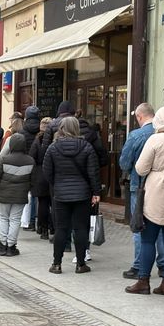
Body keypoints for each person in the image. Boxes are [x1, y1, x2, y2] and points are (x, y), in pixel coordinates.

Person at [125, 106, 164, 297]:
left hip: (155, 196)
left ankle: (143, 281)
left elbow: (141, 168)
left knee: (148, 239)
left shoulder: (156, 139)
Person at [43, 117, 100, 274]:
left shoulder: (53, 148)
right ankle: (81, 264)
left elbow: (47, 172)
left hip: (61, 194)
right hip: (82, 194)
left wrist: (57, 183)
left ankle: (56, 264)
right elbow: (93, 172)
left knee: (61, 229)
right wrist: (95, 192)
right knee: (80, 228)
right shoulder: (87, 147)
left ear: (61, 128)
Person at [119, 103, 164, 280]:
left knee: (139, 225)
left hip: (139, 186)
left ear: (139, 117)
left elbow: (124, 162)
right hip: (162, 187)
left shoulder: (136, 135)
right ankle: (163, 265)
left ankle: (139, 266)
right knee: (161, 226)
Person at [0, 133, 35, 257]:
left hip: (5, 193)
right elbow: (33, 180)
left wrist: (0, 188)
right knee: (15, 219)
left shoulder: (4, 159)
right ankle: (11, 246)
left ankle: (2, 245)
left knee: (3, 218)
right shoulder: (30, 160)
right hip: (20, 195)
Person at [30, 117, 53, 240]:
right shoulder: (54, 139)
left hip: (40, 174)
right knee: (53, 203)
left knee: (43, 203)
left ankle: (43, 229)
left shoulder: (37, 140)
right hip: (52, 174)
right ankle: (53, 227)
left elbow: (32, 157)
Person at [19, 106, 41, 231]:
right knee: (39, 195)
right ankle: (38, 220)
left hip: (25, 165)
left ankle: (29, 220)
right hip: (38, 166)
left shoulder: (22, 132)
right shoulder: (43, 130)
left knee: (28, 194)